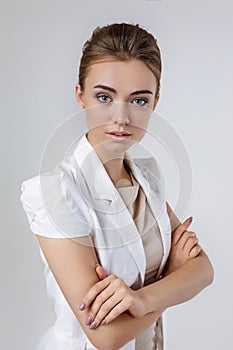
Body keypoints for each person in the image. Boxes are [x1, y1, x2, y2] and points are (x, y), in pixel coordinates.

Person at [20, 22, 214, 350]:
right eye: (104, 97)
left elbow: (203, 270)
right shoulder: (54, 193)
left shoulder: (148, 178)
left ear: (155, 102)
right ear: (80, 95)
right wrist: (169, 286)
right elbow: (104, 335)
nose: (121, 117)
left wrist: (139, 300)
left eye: (138, 100)